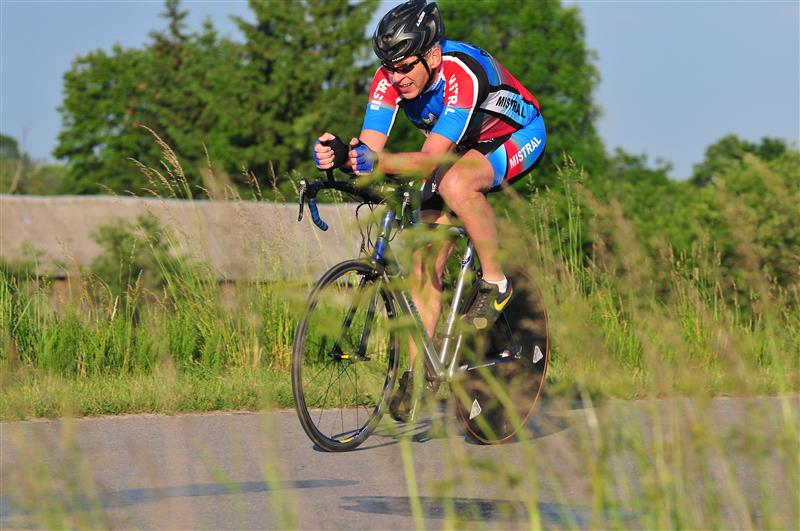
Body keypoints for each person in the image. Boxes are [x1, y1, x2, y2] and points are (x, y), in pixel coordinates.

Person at [312, 0, 546, 421]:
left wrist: (377, 162)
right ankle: (417, 374)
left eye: (405, 67)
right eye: (390, 67)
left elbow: (431, 160)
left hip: (515, 135)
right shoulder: (388, 79)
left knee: (457, 183)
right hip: (458, 144)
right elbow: (371, 148)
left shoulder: (460, 74)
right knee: (424, 263)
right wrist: (343, 154)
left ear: (432, 56)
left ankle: (496, 283)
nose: (396, 77)